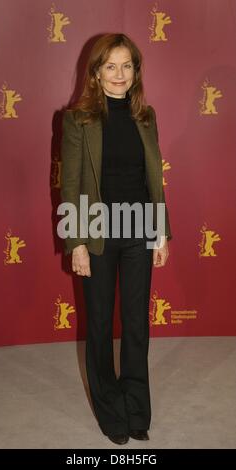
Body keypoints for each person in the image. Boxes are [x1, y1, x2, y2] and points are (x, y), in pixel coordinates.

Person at [60, 33, 172, 445]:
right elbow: (70, 186)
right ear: (95, 73)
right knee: (102, 325)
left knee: (138, 325)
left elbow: (154, 182)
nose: (120, 74)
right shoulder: (78, 120)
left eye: (127, 66)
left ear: (135, 71)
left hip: (140, 229)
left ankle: (137, 409)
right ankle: (110, 412)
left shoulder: (147, 116)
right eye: (111, 66)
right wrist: (76, 245)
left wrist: (160, 232)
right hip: (98, 235)